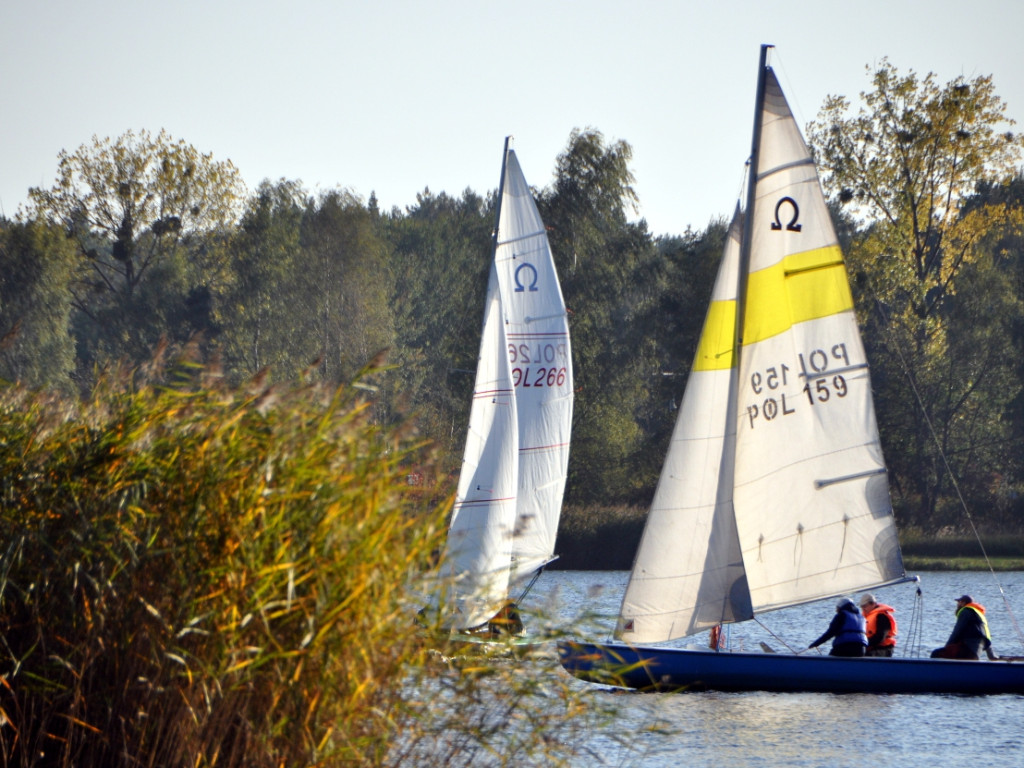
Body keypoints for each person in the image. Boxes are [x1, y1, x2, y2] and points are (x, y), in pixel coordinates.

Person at [930, 594, 993, 660]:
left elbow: (957, 631)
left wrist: (946, 647)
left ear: (963, 603)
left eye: (959, 602)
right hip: (975, 654)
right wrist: (991, 655)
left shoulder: (965, 611)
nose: (957, 604)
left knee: (936, 653)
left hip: (968, 650)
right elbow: (986, 636)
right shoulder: (979, 615)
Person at [859, 593, 897, 657]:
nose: (863, 609)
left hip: (884, 648)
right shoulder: (864, 617)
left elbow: (880, 637)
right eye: (861, 607)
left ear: (873, 604)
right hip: (870, 646)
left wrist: (864, 643)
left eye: (865, 606)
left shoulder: (882, 616)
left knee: (867, 655)